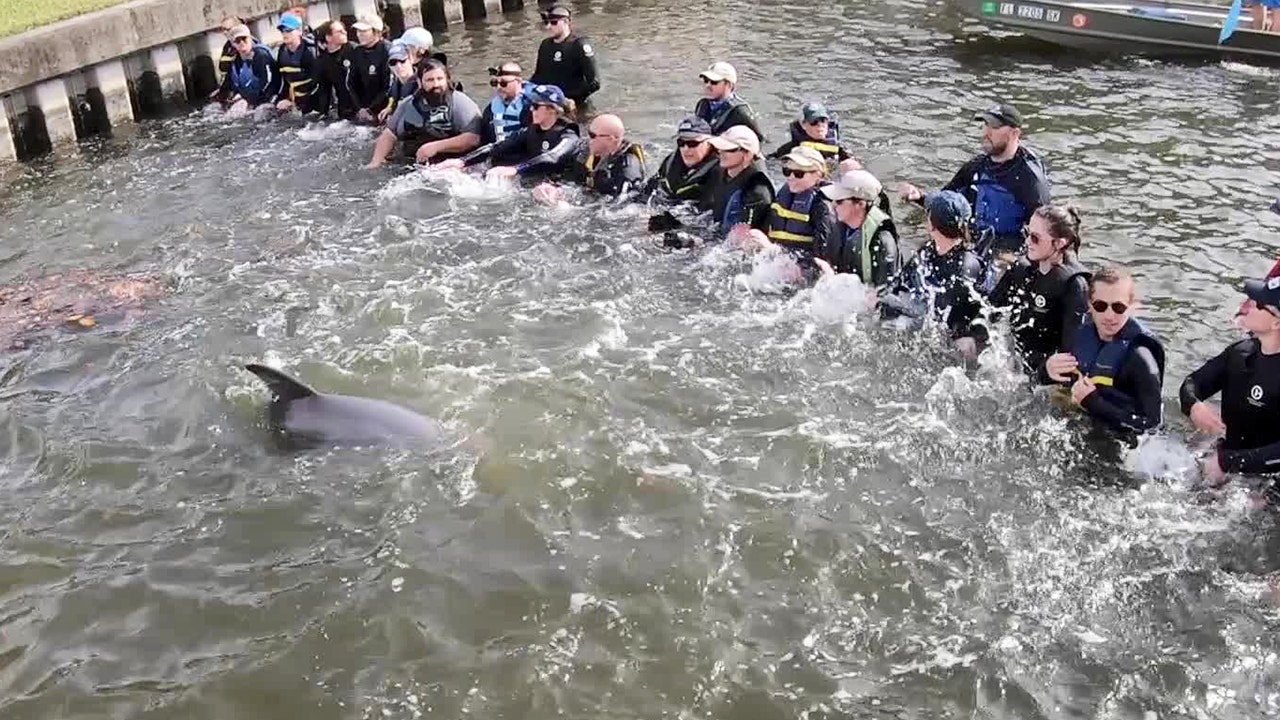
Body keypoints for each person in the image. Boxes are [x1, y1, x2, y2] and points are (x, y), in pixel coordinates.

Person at [899, 103, 1050, 261]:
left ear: (1015, 133)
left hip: (1007, 253)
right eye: (985, 125)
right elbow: (946, 201)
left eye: (994, 127)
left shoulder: (1030, 179)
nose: (986, 133)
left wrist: (1018, 260)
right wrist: (920, 197)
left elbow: (1044, 233)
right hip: (974, 242)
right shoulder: (977, 167)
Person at [1182, 276, 1280, 500]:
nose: (1248, 306)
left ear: (1276, 323)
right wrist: (1195, 407)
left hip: (1267, 480)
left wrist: (1227, 463)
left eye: (1259, 304)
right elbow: (1192, 383)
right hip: (1227, 458)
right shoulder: (1240, 352)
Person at [1041, 265, 1165, 436]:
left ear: (1132, 307)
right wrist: (1046, 370)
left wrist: (1094, 403)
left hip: (1119, 441)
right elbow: (1040, 379)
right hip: (1078, 425)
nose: (1108, 316)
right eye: (1100, 306)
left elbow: (1153, 426)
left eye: (1118, 307)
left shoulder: (1140, 358)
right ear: (1089, 305)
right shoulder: (1079, 335)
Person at [877, 190, 986, 358]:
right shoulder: (928, 251)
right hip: (931, 327)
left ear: (932, 225)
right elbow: (900, 282)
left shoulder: (966, 267)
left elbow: (948, 319)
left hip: (957, 342)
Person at [984, 204, 1090, 375]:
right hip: (1015, 362)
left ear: (1059, 243)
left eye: (1035, 238)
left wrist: (1046, 370)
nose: (1027, 242)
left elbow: (1074, 353)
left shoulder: (1074, 285)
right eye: (1027, 233)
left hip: (1047, 374)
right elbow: (989, 310)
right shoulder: (1021, 269)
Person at [439, 84, 580, 183]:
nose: (531, 109)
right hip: (537, 181)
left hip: (566, 185)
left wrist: (515, 170)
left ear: (553, 110)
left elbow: (552, 157)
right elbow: (497, 147)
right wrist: (462, 161)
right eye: (531, 105)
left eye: (536, 106)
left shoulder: (568, 135)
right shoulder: (531, 131)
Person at [367, 60, 483, 168]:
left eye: (440, 79)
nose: (436, 84)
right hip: (410, 164)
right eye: (430, 80)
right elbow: (389, 134)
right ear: (419, 82)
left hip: (448, 165)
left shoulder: (460, 103)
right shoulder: (407, 104)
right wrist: (376, 161)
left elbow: (473, 138)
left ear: (447, 79)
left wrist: (436, 147)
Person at [740, 147, 835, 270]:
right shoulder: (784, 194)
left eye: (798, 174)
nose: (791, 177)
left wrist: (773, 250)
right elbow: (767, 231)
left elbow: (821, 260)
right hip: (779, 265)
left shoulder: (822, 206)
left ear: (817, 174)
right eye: (787, 171)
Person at [817, 169, 900, 287]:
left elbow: (885, 295)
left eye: (839, 201)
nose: (834, 205)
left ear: (860, 204)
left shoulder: (882, 241)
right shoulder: (843, 230)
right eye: (834, 200)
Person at [554, 113, 647, 198]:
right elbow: (569, 178)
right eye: (588, 133)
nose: (589, 139)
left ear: (611, 139)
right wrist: (556, 190)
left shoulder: (627, 170)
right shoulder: (587, 155)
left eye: (593, 135)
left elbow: (624, 206)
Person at [707, 125, 775, 237]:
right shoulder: (719, 174)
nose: (721, 152)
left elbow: (742, 239)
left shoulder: (757, 192)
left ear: (748, 154)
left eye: (729, 149)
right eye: (720, 148)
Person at [643, 116, 720, 212]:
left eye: (693, 143)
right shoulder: (670, 162)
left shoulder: (719, 171)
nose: (686, 149)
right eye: (681, 143)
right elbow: (648, 190)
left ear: (709, 143)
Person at [529, 4, 600, 106]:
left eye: (554, 22)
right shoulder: (545, 45)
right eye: (546, 23)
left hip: (573, 104)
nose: (549, 26)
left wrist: (570, 99)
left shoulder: (579, 45)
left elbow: (594, 82)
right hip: (548, 104)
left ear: (566, 22)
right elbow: (539, 76)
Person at [769, 102, 855, 170]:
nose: (820, 126)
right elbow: (770, 162)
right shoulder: (791, 148)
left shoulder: (839, 148)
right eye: (814, 122)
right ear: (803, 125)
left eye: (823, 120)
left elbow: (856, 165)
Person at [694, 62, 764, 141]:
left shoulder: (740, 112)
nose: (708, 85)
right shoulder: (703, 104)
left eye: (714, 82)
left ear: (729, 85)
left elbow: (759, 141)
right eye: (706, 81)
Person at [216, 25, 281, 108]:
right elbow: (228, 85)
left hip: (269, 99)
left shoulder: (261, 56)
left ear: (250, 38)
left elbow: (272, 83)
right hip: (249, 102)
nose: (242, 43)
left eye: (244, 39)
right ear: (233, 44)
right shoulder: (235, 62)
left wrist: (254, 102)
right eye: (238, 41)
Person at [313, 20, 362, 120]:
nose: (345, 32)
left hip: (362, 104)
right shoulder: (323, 61)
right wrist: (323, 113)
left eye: (344, 30)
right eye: (340, 31)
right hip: (344, 108)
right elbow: (324, 90)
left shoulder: (354, 50)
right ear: (328, 37)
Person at [274, 14, 320, 114]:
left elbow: (318, 83)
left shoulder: (309, 51)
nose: (285, 34)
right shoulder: (282, 51)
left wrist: (302, 103)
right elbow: (283, 81)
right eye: (282, 31)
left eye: (289, 30)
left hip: (315, 102)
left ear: (299, 31)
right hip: (295, 102)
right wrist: (283, 99)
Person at [480, 62, 531, 145]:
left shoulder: (532, 106)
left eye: (504, 83)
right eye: (495, 83)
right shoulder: (490, 110)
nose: (499, 87)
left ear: (518, 81)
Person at [351, 15, 391, 122]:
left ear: (377, 32)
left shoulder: (387, 51)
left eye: (363, 31)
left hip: (383, 108)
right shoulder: (357, 52)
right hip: (362, 109)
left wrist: (371, 109)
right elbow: (351, 83)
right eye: (358, 31)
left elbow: (388, 86)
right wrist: (360, 108)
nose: (359, 35)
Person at [379, 41, 417, 123]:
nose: (398, 66)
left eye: (402, 61)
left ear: (411, 59)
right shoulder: (395, 83)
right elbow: (392, 98)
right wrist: (389, 108)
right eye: (393, 63)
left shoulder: (421, 83)